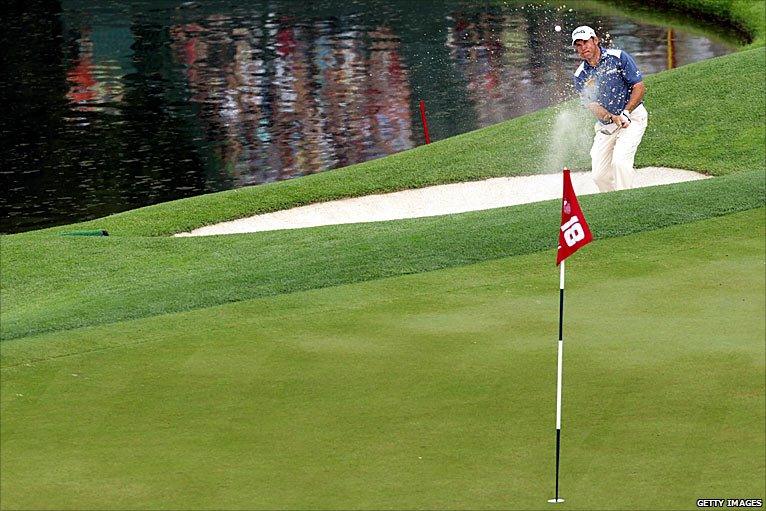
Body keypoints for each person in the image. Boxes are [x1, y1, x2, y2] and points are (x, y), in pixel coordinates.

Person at [571, 25, 648, 192]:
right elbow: (592, 105)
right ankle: (611, 205)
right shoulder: (581, 75)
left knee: (620, 162)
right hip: (607, 125)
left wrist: (625, 112)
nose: (582, 47)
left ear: (595, 40)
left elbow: (639, 86)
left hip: (633, 117)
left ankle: (624, 203)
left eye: (585, 42)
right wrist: (613, 117)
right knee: (599, 175)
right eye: (578, 44)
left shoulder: (618, 57)